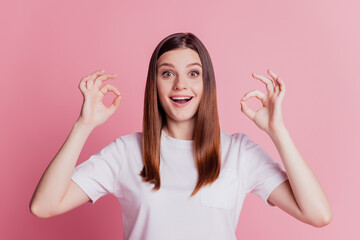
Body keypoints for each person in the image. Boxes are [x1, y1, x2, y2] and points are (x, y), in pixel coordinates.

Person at [30, 32, 332, 239]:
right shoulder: (126, 152)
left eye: (193, 73)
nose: (180, 85)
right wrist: (83, 125)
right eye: (167, 73)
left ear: (206, 84)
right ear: (155, 84)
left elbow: (317, 214)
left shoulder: (239, 153)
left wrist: (278, 132)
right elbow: (43, 205)